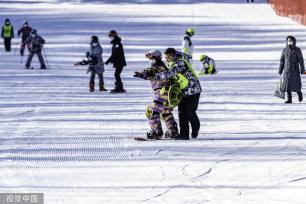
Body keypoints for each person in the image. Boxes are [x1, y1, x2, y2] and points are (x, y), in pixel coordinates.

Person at [155, 48, 202, 140]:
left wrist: (155, 76)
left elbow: (171, 73)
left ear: (174, 55)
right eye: (166, 57)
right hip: (183, 92)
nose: (168, 58)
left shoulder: (180, 62)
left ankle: (195, 129)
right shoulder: (171, 63)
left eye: (169, 56)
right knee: (181, 113)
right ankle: (184, 134)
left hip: (193, 91)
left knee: (189, 112)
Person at [134, 50, 179, 139]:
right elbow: (151, 74)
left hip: (162, 93)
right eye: (150, 59)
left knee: (151, 110)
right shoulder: (162, 67)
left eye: (152, 58)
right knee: (165, 112)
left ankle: (156, 132)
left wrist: (142, 74)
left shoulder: (158, 67)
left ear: (157, 58)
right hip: (167, 94)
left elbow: (150, 71)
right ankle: (173, 131)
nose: (151, 60)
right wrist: (143, 75)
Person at [279, 36, 305, 103]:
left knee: (295, 85)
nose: (289, 42)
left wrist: (302, 69)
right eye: (288, 40)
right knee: (287, 86)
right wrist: (280, 70)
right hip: (287, 71)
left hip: (295, 71)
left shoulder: (297, 50)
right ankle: (289, 99)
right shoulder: (285, 50)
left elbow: (301, 60)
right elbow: (282, 61)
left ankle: (299, 93)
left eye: (291, 40)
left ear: (294, 41)